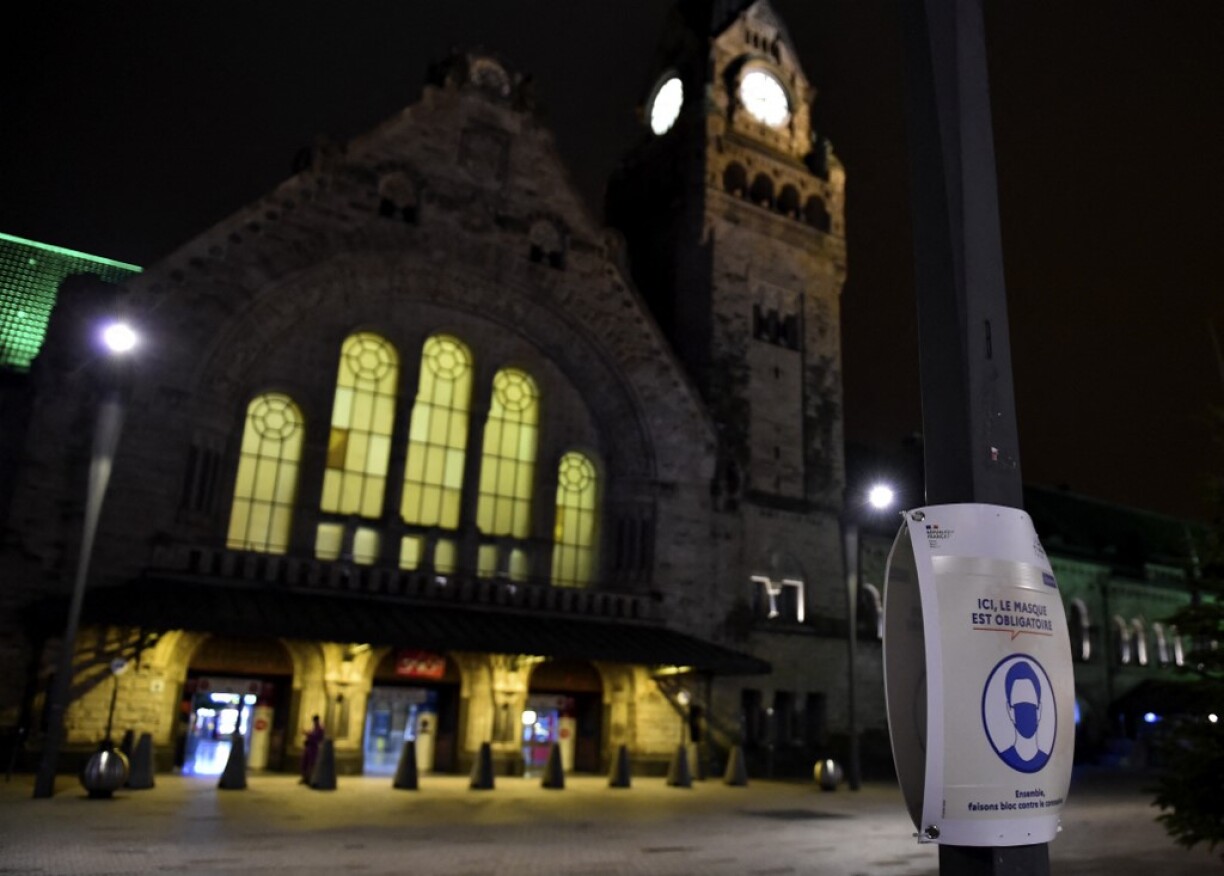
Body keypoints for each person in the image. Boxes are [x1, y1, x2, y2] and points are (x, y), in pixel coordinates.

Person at [998, 661, 1050, 773]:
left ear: (1039, 710)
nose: (1025, 714)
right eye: (1020, 707)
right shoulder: (1000, 761)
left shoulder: (1048, 763)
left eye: (1030, 706)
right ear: (1010, 711)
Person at [300, 714, 324, 784]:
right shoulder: (314, 728)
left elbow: (316, 737)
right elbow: (312, 736)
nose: (314, 722)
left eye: (315, 720)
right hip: (309, 747)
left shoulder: (320, 729)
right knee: (305, 762)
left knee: (311, 763)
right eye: (313, 721)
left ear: (317, 720)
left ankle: (310, 778)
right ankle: (305, 778)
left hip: (314, 748)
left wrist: (307, 733)